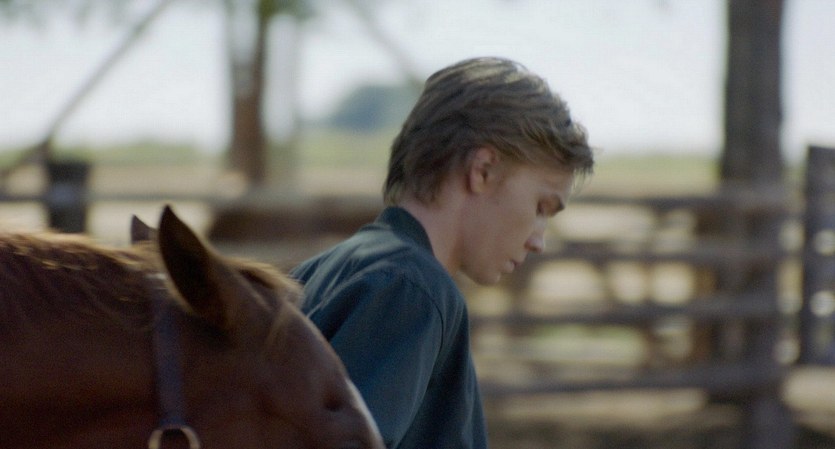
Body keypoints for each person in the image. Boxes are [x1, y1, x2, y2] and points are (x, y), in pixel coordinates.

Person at [291, 56, 594, 449]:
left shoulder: (323, 269)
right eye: (541, 207)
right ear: (483, 170)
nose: (539, 240)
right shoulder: (413, 290)